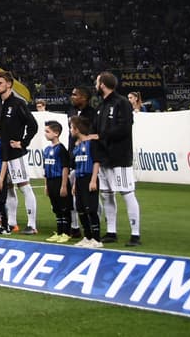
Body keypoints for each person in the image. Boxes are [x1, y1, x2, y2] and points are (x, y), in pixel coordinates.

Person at [94, 71, 141, 246]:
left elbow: (124, 128)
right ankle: (111, 231)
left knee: (127, 193)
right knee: (106, 195)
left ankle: (135, 234)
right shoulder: (101, 106)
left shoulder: (122, 103)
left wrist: (102, 136)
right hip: (104, 158)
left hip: (120, 157)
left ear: (103, 84)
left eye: (97, 82)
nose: (95, 85)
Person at [0, 70, 38, 234]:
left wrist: (23, 143)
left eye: (0, 83)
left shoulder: (18, 103)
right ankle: (12, 222)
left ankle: (32, 225)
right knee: (9, 188)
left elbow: (33, 125)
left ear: (9, 84)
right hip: (3, 154)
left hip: (15, 154)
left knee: (24, 187)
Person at [70, 117, 102, 248]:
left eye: (71, 127)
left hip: (89, 178)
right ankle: (87, 237)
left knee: (91, 209)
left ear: (77, 129)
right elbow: (77, 165)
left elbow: (96, 161)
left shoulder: (91, 143)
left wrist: (94, 179)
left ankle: (97, 239)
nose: (70, 130)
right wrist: (75, 183)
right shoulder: (76, 146)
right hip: (79, 179)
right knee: (81, 209)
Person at [41, 120, 73, 242]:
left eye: (47, 131)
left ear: (56, 133)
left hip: (60, 180)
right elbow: (45, 168)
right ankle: (59, 232)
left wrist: (64, 185)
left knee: (64, 207)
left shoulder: (61, 149)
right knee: (56, 208)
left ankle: (67, 232)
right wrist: (46, 185)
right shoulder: (47, 149)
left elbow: (65, 167)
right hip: (50, 181)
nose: (45, 134)